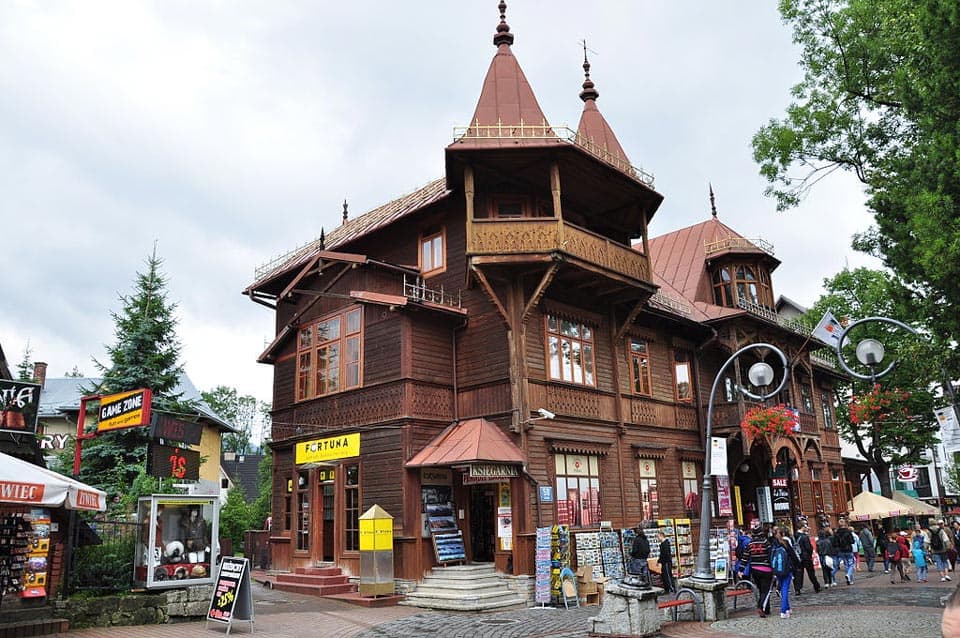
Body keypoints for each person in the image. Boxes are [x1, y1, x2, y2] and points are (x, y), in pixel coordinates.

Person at [745, 523, 773, 618]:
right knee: (766, 590)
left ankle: (767, 608)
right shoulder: (766, 542)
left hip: (754, 569)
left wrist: (741, 569)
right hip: (766, 569)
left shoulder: (750, 543)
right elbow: (770, 556)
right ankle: (761, 606)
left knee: (761, 589)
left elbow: (745, 557)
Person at [772, 527, 800, 618]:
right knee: (785, 589)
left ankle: (787, 608)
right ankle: (783, 610)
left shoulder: (773, 544)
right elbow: (793, 555)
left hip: (777, 569)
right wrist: (797, 565)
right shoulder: (785, 543)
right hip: (787, 569)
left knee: (782, 586)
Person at [794, 523, 821, 594]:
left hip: (797, 556)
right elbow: (808, 548)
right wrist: (810, 554)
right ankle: (816, 586)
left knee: (799, 573)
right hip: (806, 557)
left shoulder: (794, 536)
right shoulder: (804, 537)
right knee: (811, 572)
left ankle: (797, 589)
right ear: (802, 527)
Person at [627, 523, 652, 588]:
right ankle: (646, 586)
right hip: (644, 559)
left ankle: (637, 587)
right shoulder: (646, 539)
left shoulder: (636, 540)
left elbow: (635, 550)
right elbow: (648, 550)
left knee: (636, 576)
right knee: (644, 575)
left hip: (637, 559)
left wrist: (631, 554)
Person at [834, 519, 857, 585]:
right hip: (848, 550)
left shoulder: (837, 532)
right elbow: (852, 541)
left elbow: (835, 543)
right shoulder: (848, 531)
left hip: (841, 550)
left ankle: (850, 579)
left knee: (846, 564)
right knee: (851, 564)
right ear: (845, 524)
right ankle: (849, 575)